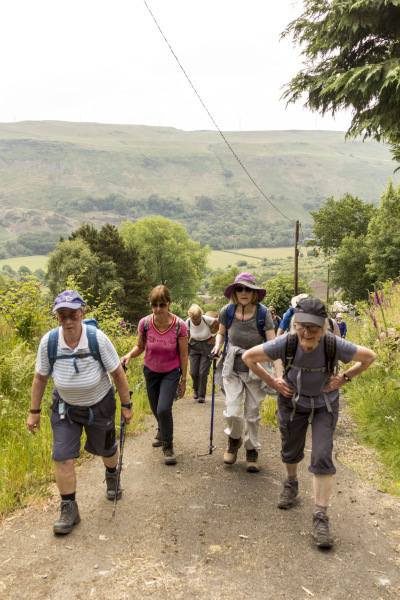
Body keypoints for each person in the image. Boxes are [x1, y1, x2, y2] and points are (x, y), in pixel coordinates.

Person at [242, 297, 376, 548]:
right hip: (293, 403)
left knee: (322, 455)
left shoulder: (332, 343)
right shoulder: (287, 341)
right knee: (290, 450)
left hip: (325, 405)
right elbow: (249, 358)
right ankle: (291, 483)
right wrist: (273, 382)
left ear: (323, 327)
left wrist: (344, 378)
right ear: (295, 324)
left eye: (314, 327)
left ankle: (320, 515)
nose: (307, 332)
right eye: (302, 326)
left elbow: (369, 357)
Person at [27, 290, 133, 535]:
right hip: (65, 408)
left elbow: (117, 372)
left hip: (100, 406)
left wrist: (126, 405)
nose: (67, 320)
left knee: (107, 449)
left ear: (82, 313)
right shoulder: (49, 342)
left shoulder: (97, 338)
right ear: (57, 316)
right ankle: (69, 508)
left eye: (73, 314)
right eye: (62, 315)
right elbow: (40, 377)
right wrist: (34, 412)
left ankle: (111, 474)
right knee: (62, 456)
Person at [212, 273, 278, 473]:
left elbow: (273, 344)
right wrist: (217, 346)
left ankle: (252, 450)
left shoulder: (263, 314)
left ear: (254, 292)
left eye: (248, 289)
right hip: (232, 367)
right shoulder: (227, 310)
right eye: (239, 289)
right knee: (233, 411)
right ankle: (234, 440)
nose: (243, 292)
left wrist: (278, 374)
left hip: (256, 369)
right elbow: (221, 333)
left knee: (251, 414)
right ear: (234, 292)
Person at [121, 285, 188, 466]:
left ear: (169, 304)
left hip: (171, 372)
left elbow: (183, 354)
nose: (158, 309)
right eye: (154, 305)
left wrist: (183, 380)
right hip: (150, 371)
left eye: (162, 305)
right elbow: (140, 347)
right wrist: (129, 355)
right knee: (155, 408)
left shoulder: (179, 326)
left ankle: (168, 445)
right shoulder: (145, 323)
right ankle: (162, 429)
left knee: (163, 409)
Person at [186, 304, 219, 403]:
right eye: (193, 319)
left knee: (203, 372)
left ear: (201, 316)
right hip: (194, 346)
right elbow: (187, 336)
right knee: (193, 372)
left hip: (207, 346)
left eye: (197, 319)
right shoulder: (188, 322)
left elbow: (222, 323)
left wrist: (215, 337)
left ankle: (201, 394)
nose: (195, 322)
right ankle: (195, 389)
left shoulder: (206, 319)